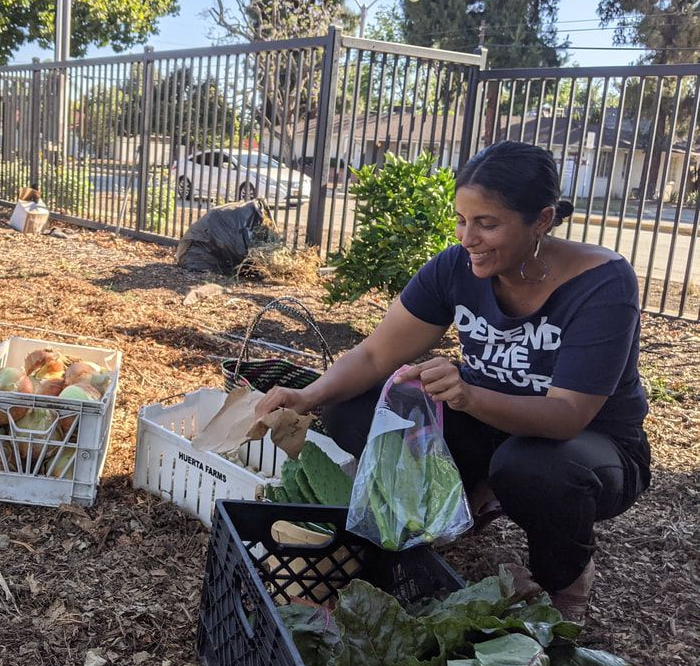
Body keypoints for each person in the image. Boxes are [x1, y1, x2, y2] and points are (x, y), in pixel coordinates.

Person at [255, 140, 650, 622]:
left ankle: (566, 576)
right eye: (462, 220)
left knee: (532, 469)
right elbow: (377, 352)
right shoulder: (455, 267)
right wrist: (306, 395)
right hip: (488, 423)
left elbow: (568, 415)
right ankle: (471, 493)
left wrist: (468, 394)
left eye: (487, 223)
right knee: (352, 408)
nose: (467, 238)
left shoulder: (602, 284)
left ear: (542, 220)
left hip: (588, 445)